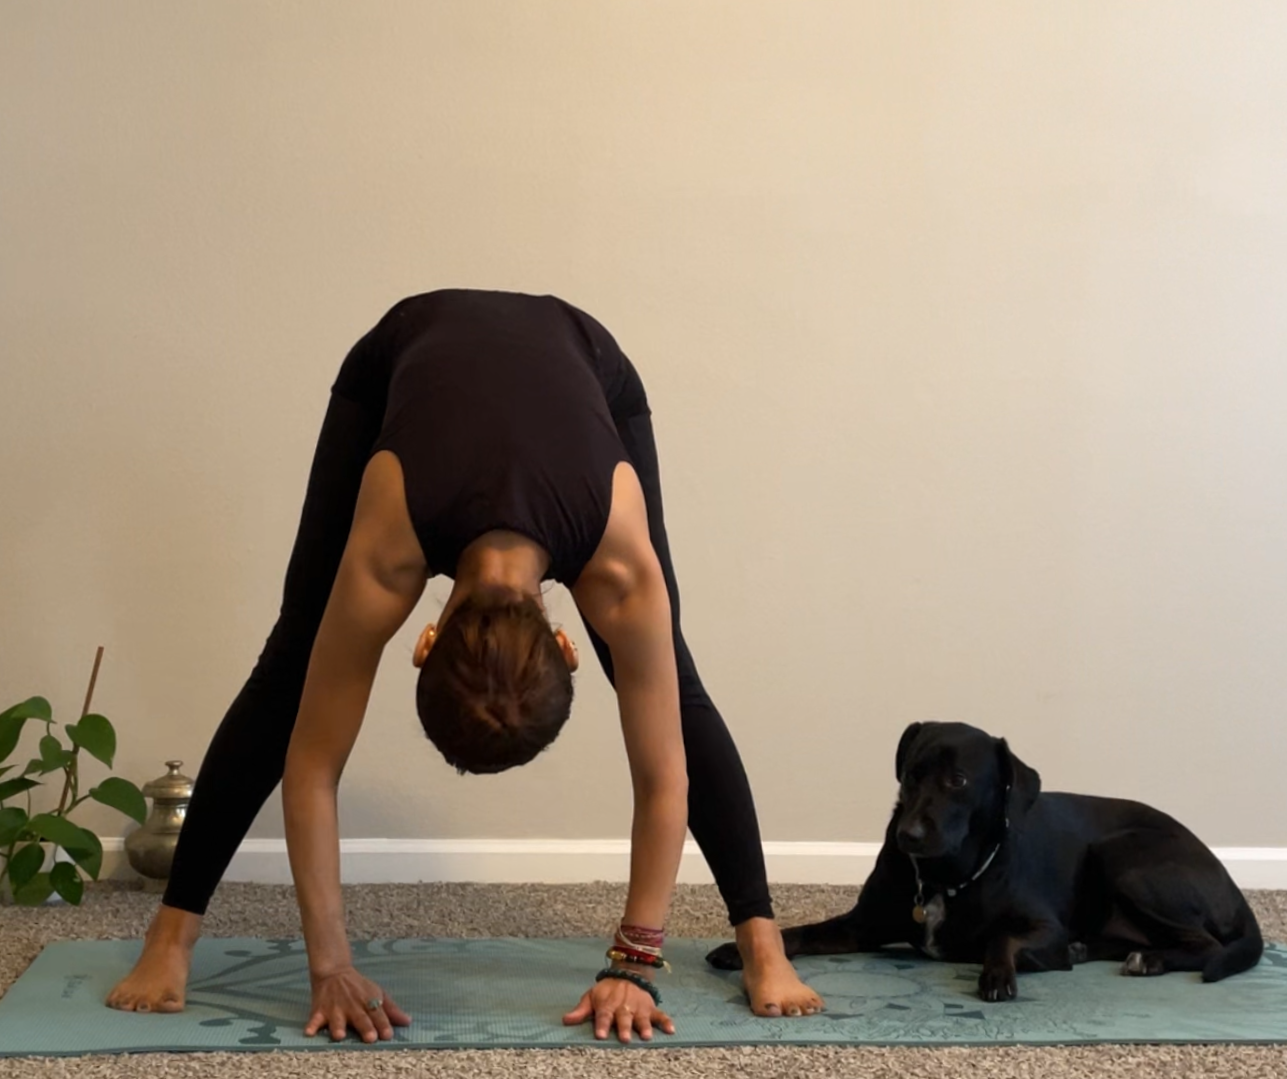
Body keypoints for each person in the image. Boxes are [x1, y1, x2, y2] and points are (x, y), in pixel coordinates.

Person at [104, 289, 822, 1043]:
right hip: (403, 350)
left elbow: (665, 774)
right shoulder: (385, 554)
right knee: (295, 659)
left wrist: (634, 963)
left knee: (672, 679)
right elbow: (310, 764)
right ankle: (171, 935)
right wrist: (330, 967)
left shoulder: (621, 570)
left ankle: (761, 939)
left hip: (588, 358)